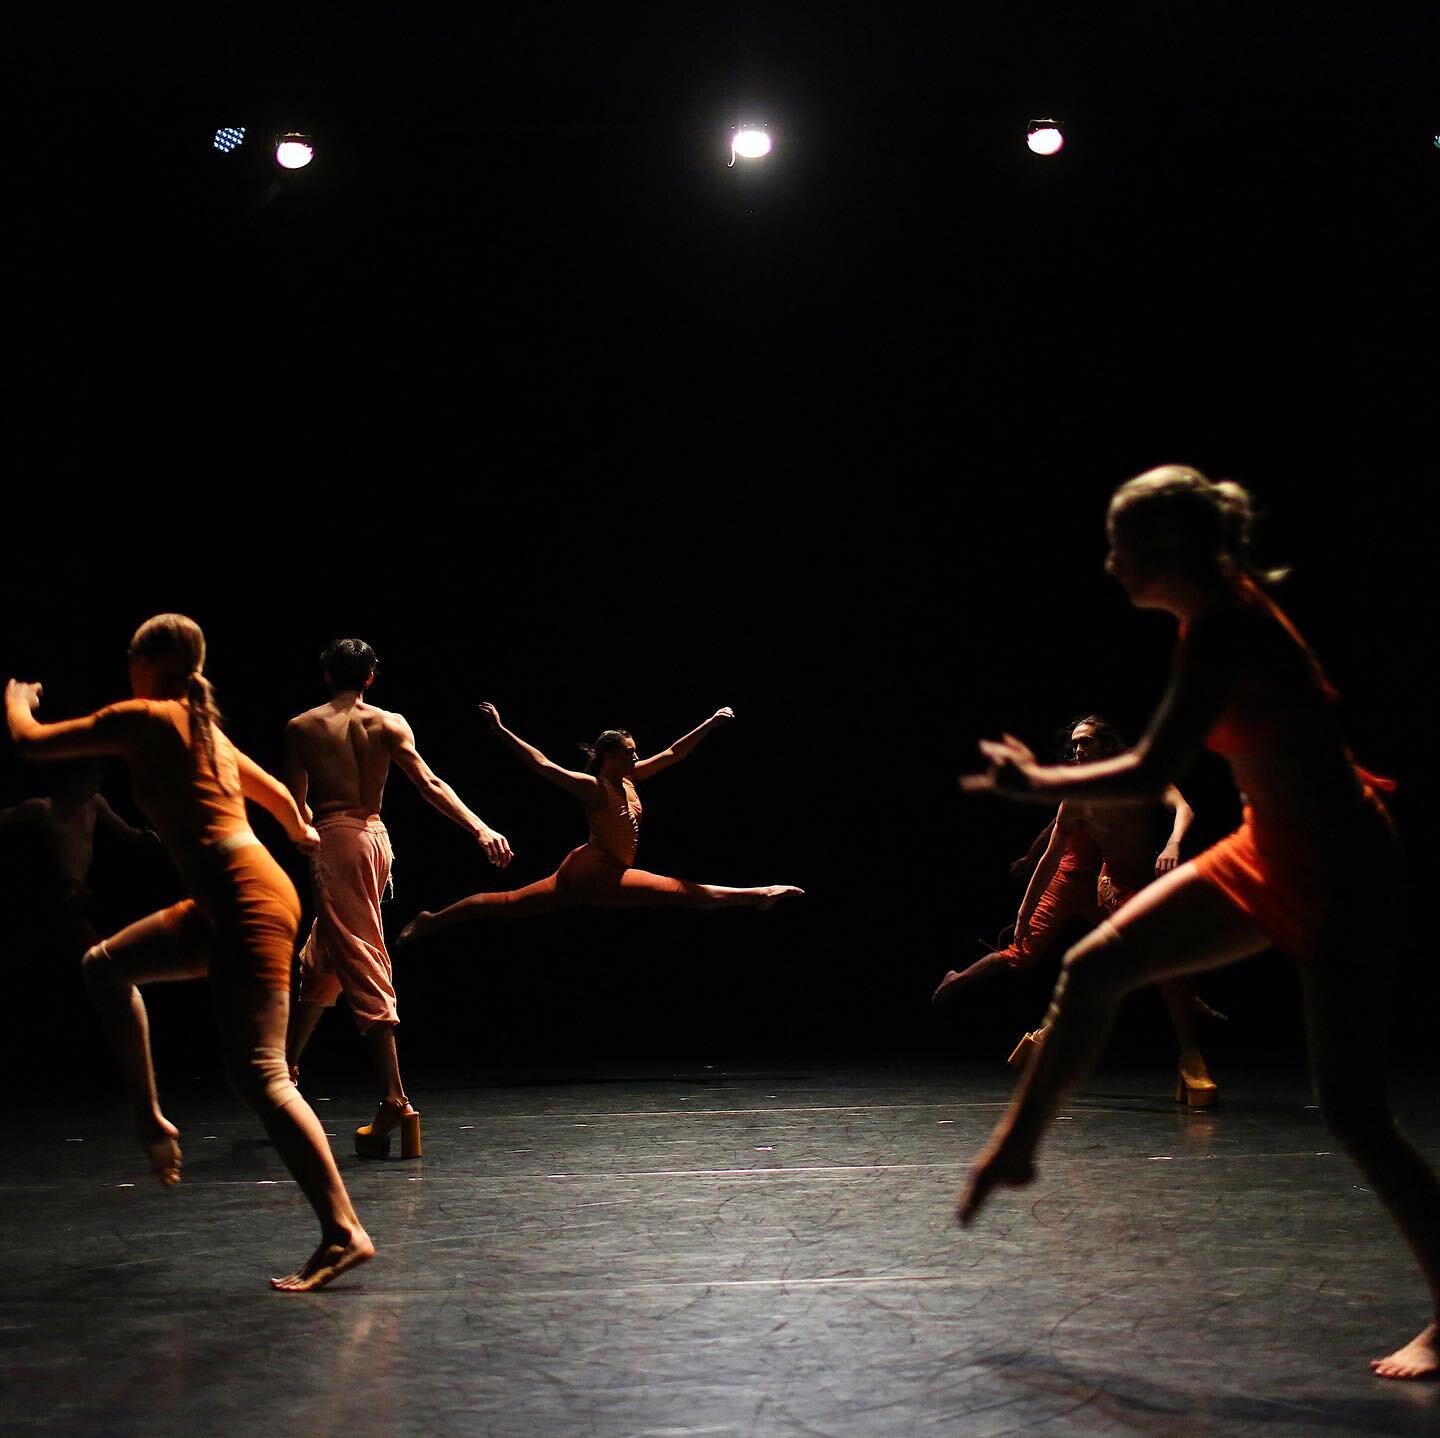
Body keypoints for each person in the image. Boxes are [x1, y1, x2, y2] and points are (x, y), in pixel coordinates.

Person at [956, 465, 1438, 1379]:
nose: (1108, 564)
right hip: (1267, 849)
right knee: (1095, 965)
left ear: (1169, 553)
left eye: (1119, 547)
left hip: (1344, 872)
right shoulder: (1210, 619)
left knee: (1355, 1111)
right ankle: (1019, 1147)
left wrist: (1036, 784)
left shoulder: (1228, 628)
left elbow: (1149, 768)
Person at [5, 614, 371, 1292]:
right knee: (104, 967)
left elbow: (29, 743)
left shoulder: (143, 717)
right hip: (237, 898)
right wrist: (300, 830)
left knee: (261, 1074)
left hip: (247, 903)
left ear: (144, 662)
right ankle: (150, 1117)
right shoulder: (207, 732)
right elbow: (284, 802)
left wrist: (16, 699)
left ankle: (344, 1231)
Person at [282, 638, 513, 1159]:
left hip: (336, 839)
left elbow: (295, 807)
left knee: (361, 959)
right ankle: (286, 1067)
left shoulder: (302, 727)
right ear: (371, 676)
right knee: (325, 957)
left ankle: (395, 1100)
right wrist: (478, 828)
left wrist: (304, 843)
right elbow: (429, 782)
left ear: (326, 676)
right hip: (375, 841)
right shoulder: (389, 722)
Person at [935, 716, 1220, 1100]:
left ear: (1106, 745)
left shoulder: (1138, 775)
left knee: (1148, 963)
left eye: (1085, 742)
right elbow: (1051, 855)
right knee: (1133, 962)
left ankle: (1056, 1033)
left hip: (1137, 882)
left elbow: (1183, 808)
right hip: (1104, 885)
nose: (1078, 749)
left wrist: (1173, 844)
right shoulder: (1077, 798)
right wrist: (1023, 912)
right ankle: (1187, 1056)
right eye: (1075, 743)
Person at [399, 703, 801, 939]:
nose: (636, 756)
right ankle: (759, 895)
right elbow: (540, 763)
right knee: (682, 891)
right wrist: (501, 730)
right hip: (597, 870)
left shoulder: (631, 777)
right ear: (609, 756)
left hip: (586, 870)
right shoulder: (594, 787)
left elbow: (675, 752)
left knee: (506, 904)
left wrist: (711, 724)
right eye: (629, 751)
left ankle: (433, 919)